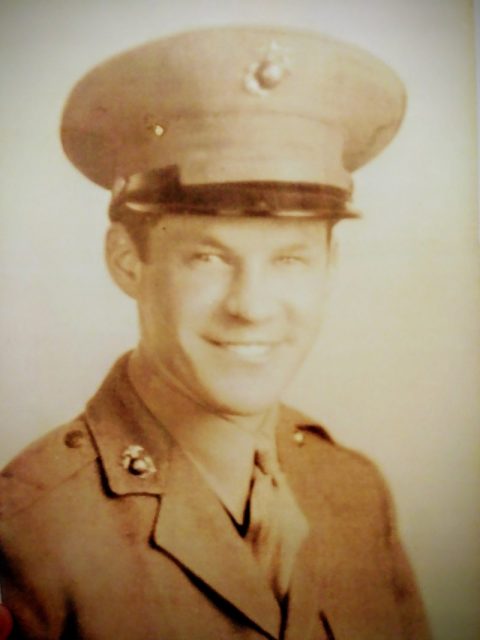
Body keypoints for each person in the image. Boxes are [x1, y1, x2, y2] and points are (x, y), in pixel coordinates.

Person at [0, 26, 431, 640]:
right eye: (208, 258)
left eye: (290, 259)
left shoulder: (355, 494)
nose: (253, 308)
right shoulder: (29, 533)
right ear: (127, 261)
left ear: (331, 266)